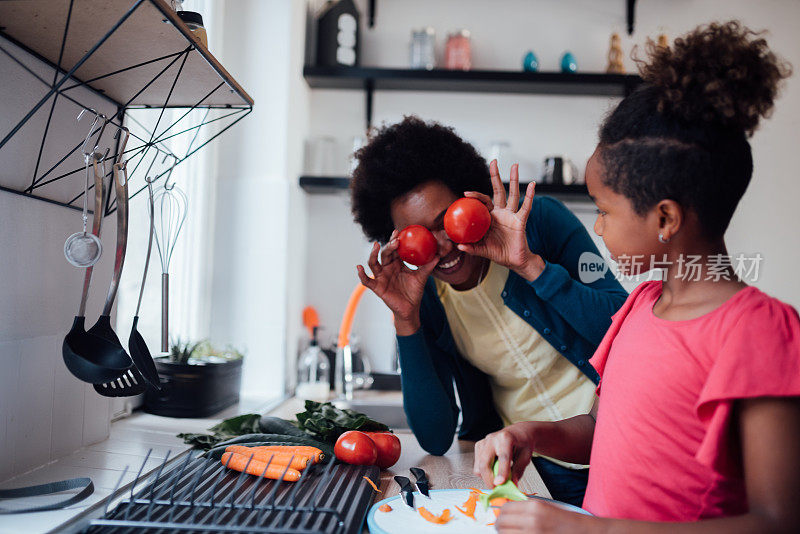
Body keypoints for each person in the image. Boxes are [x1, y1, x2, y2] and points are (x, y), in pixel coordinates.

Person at [473, 21, 800, 532]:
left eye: (604, 210)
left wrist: (592, 529)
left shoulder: (759, 331)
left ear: (665, 219)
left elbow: (777, 521)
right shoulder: (641, 303)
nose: (597, 227)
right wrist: (532, 433)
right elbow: (604, 429)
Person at [350, 116, 627, 506]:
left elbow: (624, 329)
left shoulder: (539, 224)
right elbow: (434, 437)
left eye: (445, 221)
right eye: (417, 236)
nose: (440, 246)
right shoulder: (426, 298)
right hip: (532, 466)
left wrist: (533, 267)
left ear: (469, 200)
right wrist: (406, 320)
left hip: (621, 441)